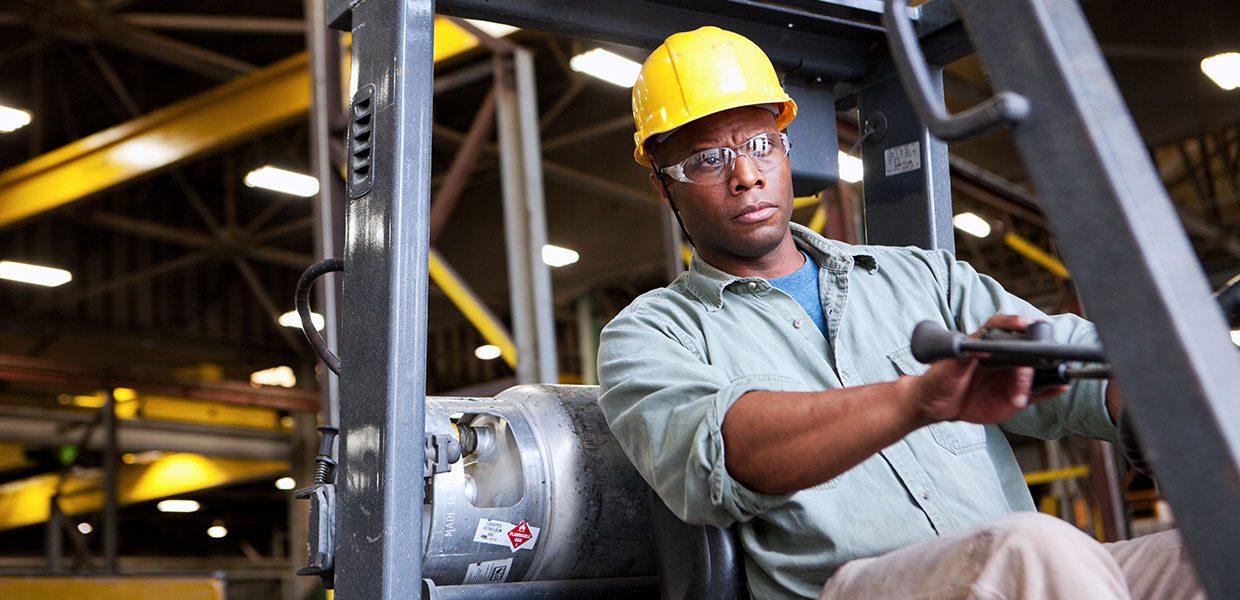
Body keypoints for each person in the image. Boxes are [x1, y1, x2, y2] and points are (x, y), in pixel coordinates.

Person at [596, 26, 1201, 600]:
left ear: (785, 147)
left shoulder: (920, 278)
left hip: (1026, 575)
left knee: (1203, 551)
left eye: (760, 145)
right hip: (863, 587)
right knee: (1033, 547)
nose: (746, 176)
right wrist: (918, 399)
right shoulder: (650, 335)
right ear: (663, 184)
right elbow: (724, 455)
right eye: (706, 159)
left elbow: (1075, 363)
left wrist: (1163, 393)